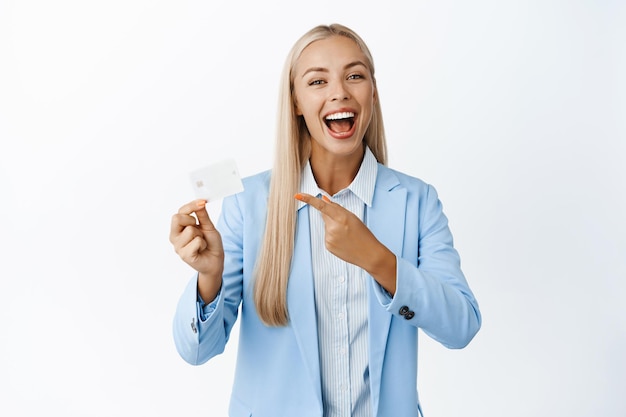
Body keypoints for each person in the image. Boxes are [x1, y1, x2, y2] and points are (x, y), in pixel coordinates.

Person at [170, 23, 481, 417]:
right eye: (318, 81)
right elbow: (197, 350)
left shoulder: (417, 202)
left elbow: (462, 326)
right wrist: (209, 278)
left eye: (355, 75)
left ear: (372, 92)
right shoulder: (247, 205)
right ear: (296, 101)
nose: (340, 92)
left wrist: (378, 260)